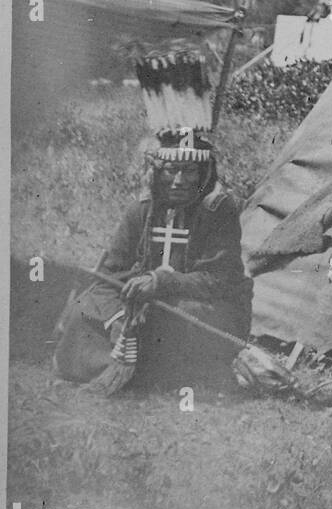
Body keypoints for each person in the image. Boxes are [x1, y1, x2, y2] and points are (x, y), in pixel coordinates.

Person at [55, 127, 253, 394]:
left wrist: (160, 281)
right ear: (158, 173)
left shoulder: (217, 211)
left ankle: (139, 372)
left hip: (206, 307)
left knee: (159, 319)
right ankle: (115, 366)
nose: (179, 180)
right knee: (85, 309)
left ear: (204, 174)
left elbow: (219, 280)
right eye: (171, 170)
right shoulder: (141, 210)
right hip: (142, 304)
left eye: (190, 171)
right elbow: (110, 274)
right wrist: (119, 314)